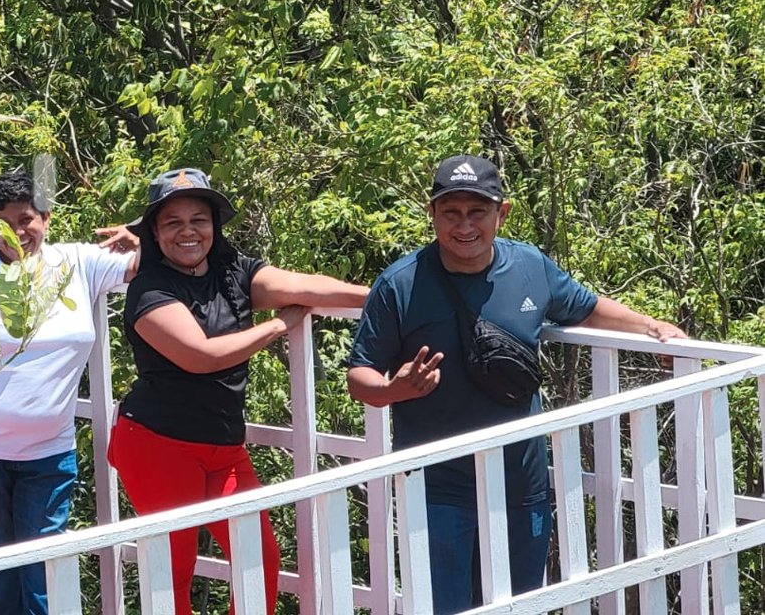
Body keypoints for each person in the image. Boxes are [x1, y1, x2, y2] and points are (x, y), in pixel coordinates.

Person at [346, 154, 686, 614]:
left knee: (520, 605)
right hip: (437, 487)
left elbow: (585, 307)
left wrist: (651, 327)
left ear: (501, 213)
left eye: (477, 212)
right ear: (432, 214)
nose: (464, 226)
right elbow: (360, 375)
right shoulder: (401, 284)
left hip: (520, 483)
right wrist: (394, 390)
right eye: (451, 212)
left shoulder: (529, 266)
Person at [108, 167, 368, 615]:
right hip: (157, 444)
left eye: (199, 219)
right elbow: (201, 355)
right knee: (172, 573)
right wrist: (277, 327)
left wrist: (383, 295)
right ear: (153, 232)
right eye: (173, 222)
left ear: (215, 225)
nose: (188, 231)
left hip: (224, 446)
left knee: (259, 562)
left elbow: (304, 285)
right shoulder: (150, 289)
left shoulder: (235, 272)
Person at [0, 167, 137, 615]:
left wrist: (141, 233)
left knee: (44, 574)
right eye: (5, 222)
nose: (17, 232)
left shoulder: (77, 263)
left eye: (27, 219)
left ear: (45, 218)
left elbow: (153, 265)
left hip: (48, 452)